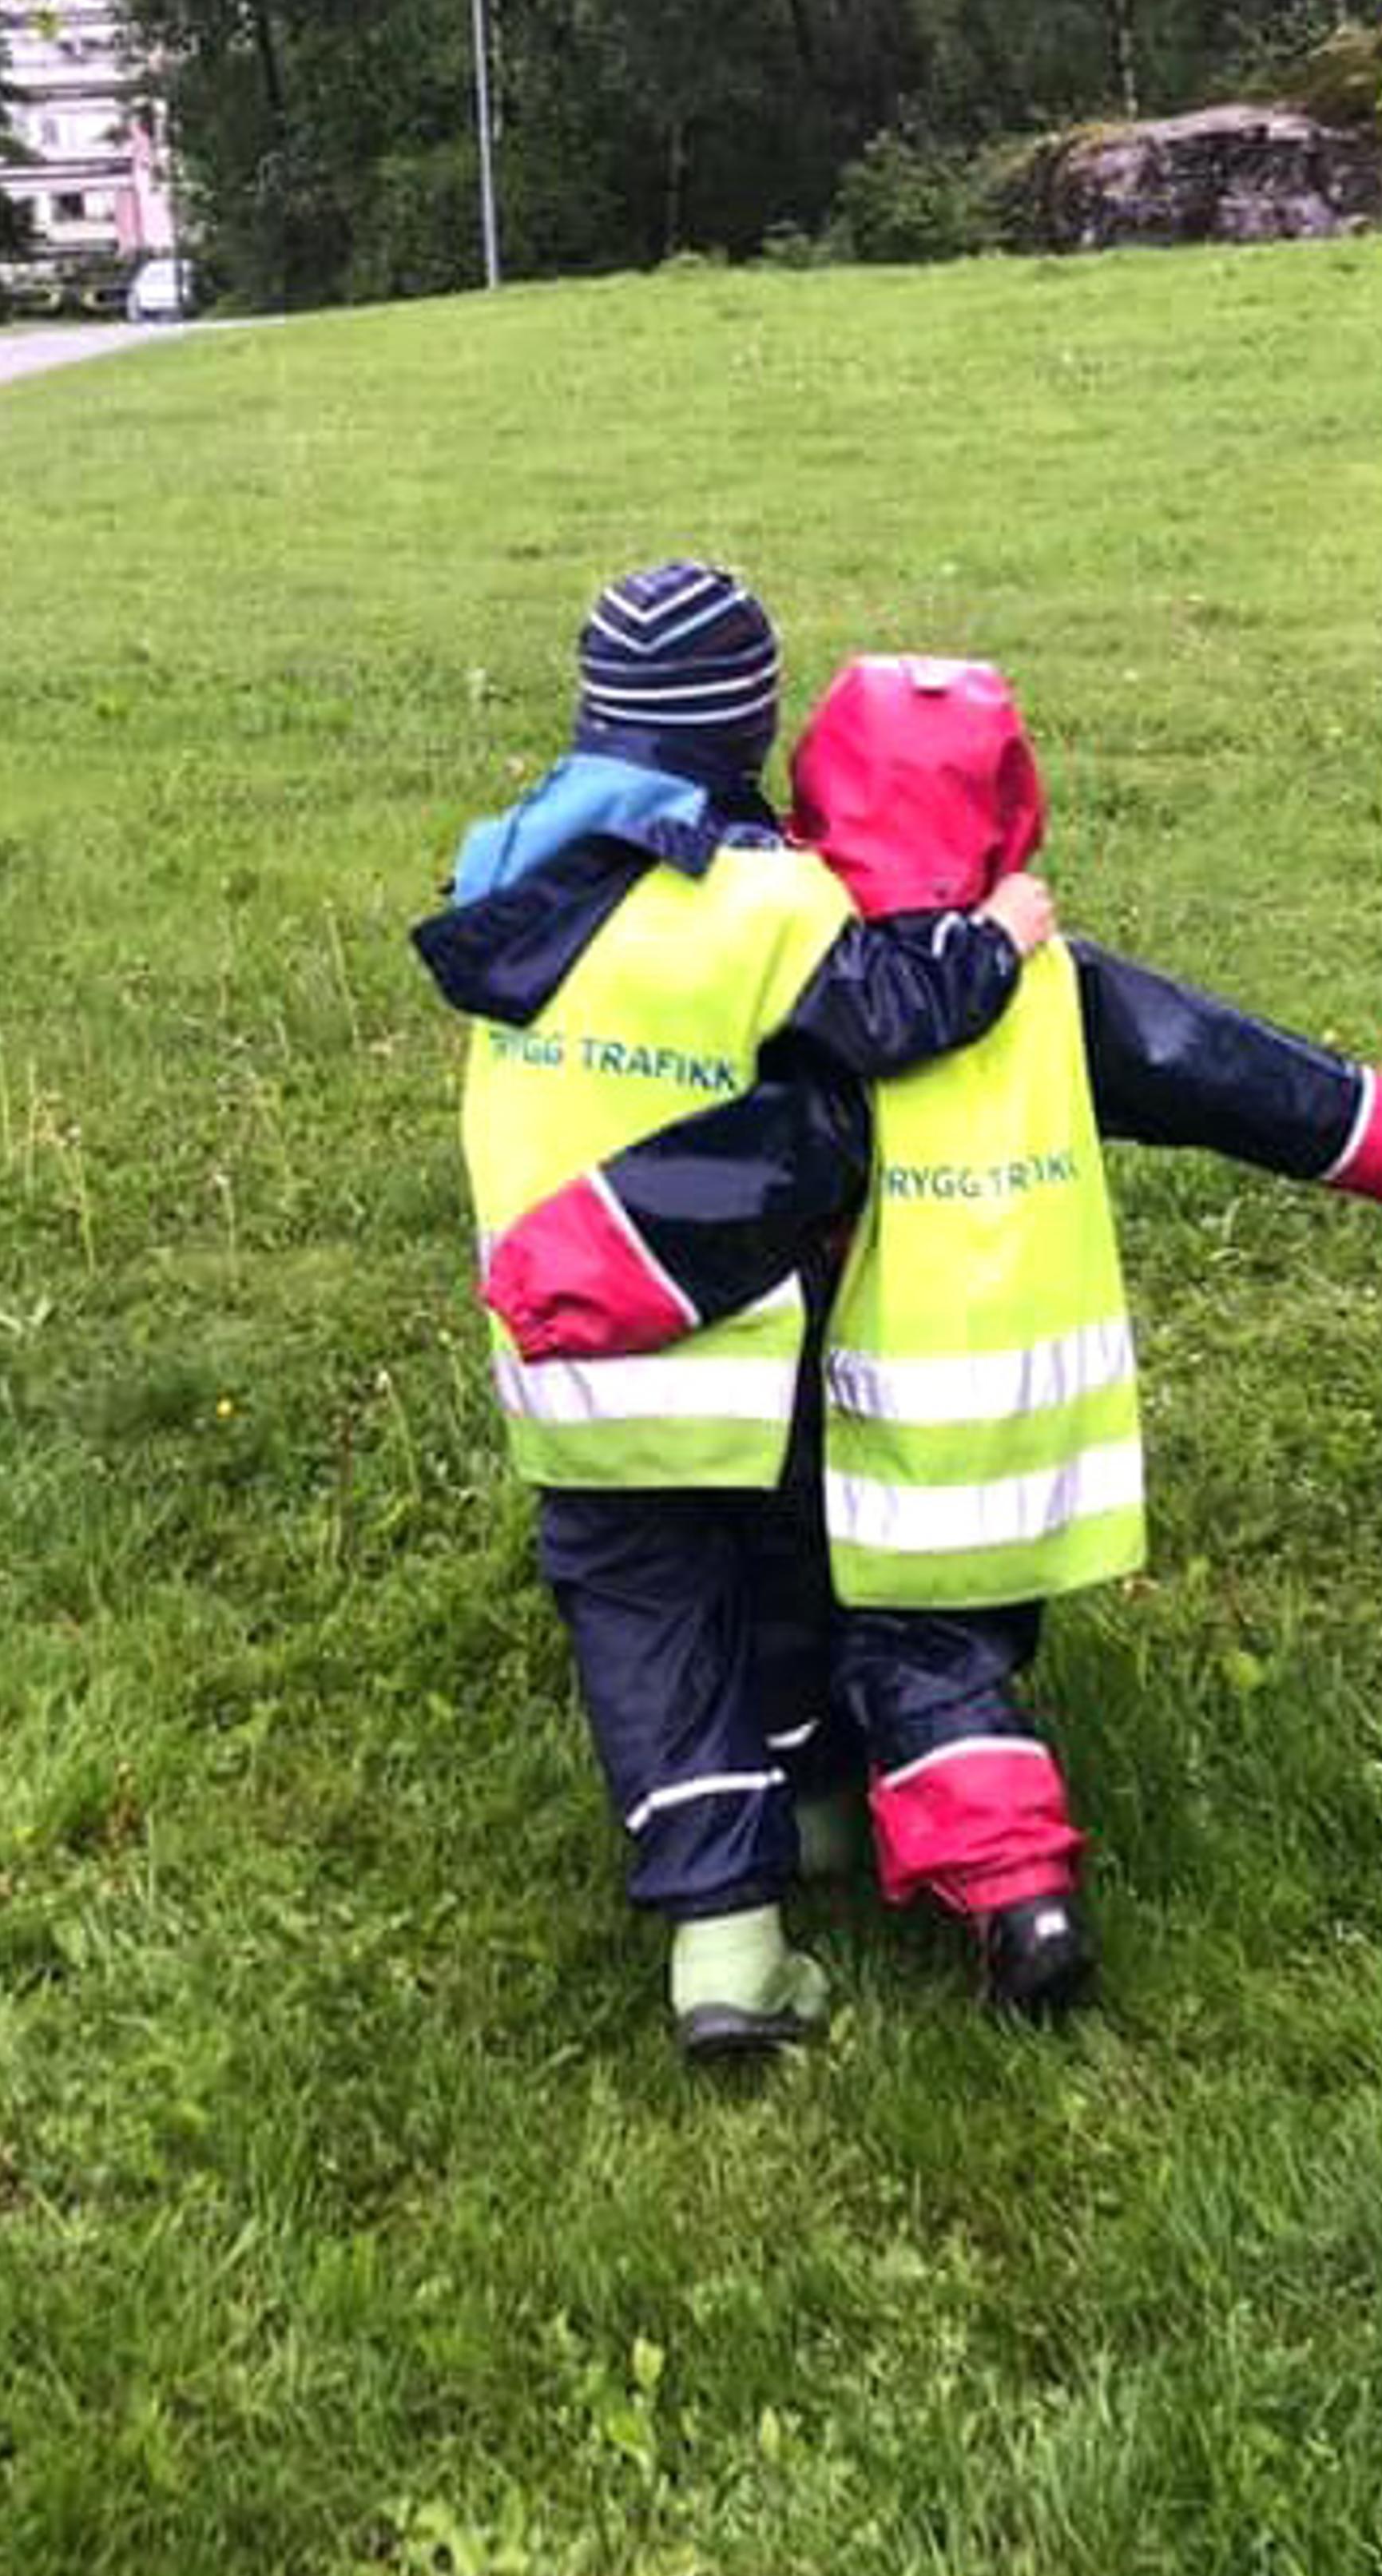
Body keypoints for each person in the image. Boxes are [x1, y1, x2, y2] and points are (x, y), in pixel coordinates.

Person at [480, 654, 1382, 2016]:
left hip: (879, 1439)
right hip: (1040, 1434)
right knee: (959, 1651)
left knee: (882, 1642)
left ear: (821, 815)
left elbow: (740, 1178)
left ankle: (971, 1878)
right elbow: (1225, 1068)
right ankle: (984, 1877)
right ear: (1017, 814)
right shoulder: (1066, 990)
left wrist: (566, 1262)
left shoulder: (842, 1018)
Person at [413, 571, 1056, 2062]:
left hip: (565, 1358)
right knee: (776, 1586)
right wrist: (998, 935)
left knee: (646, 1633)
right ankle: (821, 1819)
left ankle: (728, 1949)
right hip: (730, 1356)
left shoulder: (503, 870)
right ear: (746, 721)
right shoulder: (764, 897)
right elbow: (886, 1017)